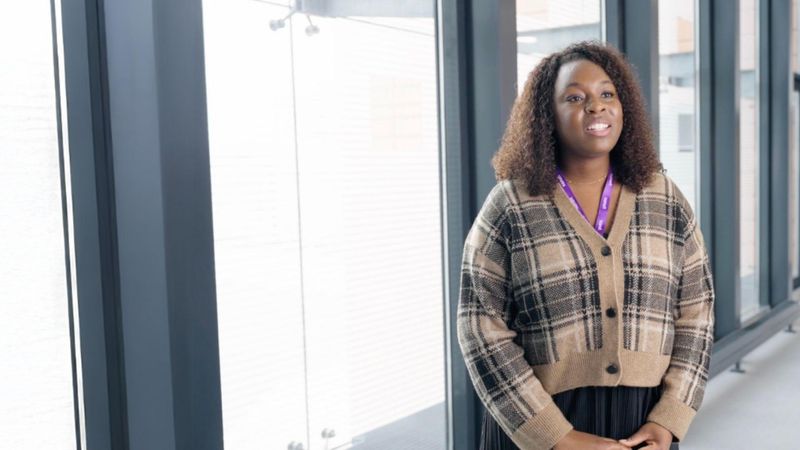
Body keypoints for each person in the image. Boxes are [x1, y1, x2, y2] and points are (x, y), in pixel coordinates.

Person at [456, 40, 715, 450]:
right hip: (537, 424)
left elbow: (696, 313)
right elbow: (480, 328)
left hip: (643, 424)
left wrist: (670, 418)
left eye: (607, 94)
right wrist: (555, 436)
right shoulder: (511, 206)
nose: (596, 106)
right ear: (548, 115)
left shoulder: (665, 199)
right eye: (575, 97)